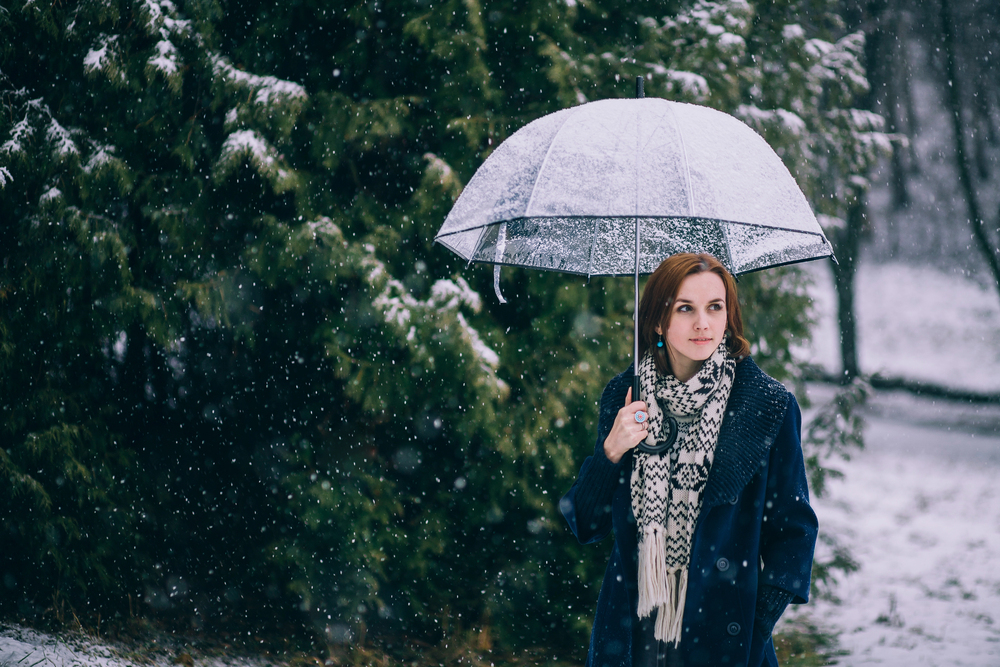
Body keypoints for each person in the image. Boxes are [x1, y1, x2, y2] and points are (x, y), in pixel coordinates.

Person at [559, 253, 818, 667]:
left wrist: (756, 624)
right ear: (658, 322)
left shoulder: (767, 405)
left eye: (715, 307)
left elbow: (795, 533)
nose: (703, 323)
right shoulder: (626, 396)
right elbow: (586, 523)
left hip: (725, 640)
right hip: (631, 637)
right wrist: (612, 450)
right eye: (685, 308)